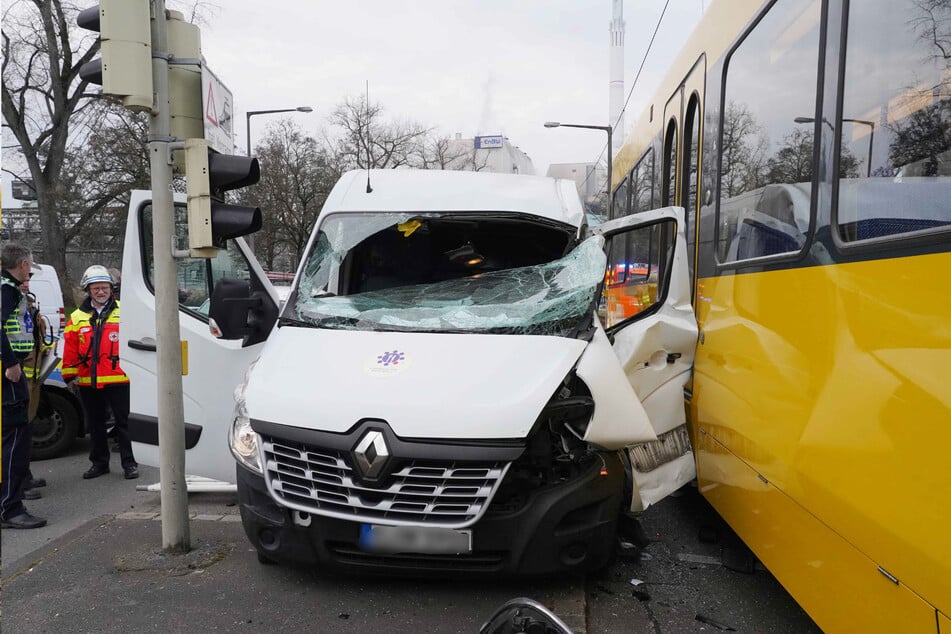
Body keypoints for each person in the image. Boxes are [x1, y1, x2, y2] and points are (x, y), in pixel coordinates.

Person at [62, 265, 138, 480]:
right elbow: (70, 348)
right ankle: (99, 463)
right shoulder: (77, 317)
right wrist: (69, 376)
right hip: (88, 380)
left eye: (104, 288)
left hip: (119, 378)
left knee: (124, 424)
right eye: (96, 288)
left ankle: (129, 464)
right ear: (88, 290)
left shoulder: (125, 311)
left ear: (111, 289)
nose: (101, 292)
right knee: (95, 425)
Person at [1, 242, 47, 529]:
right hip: (10, 376)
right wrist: (11, 363)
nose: (30, 268)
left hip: (12, 371)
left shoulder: (9, 288)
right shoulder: (6, 289)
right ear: (22, 265)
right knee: (16, 441)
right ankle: (10, 508)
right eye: (29, 264)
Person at [19, 272, 56, 500]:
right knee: (15, 435)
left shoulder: (29, 304)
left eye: (27, 279)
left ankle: (25, 475)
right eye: (22, 279)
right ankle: (17, 485)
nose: (25, 283)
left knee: (25, 431)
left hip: (31, 382)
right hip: (16, 382)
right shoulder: (12, 306)